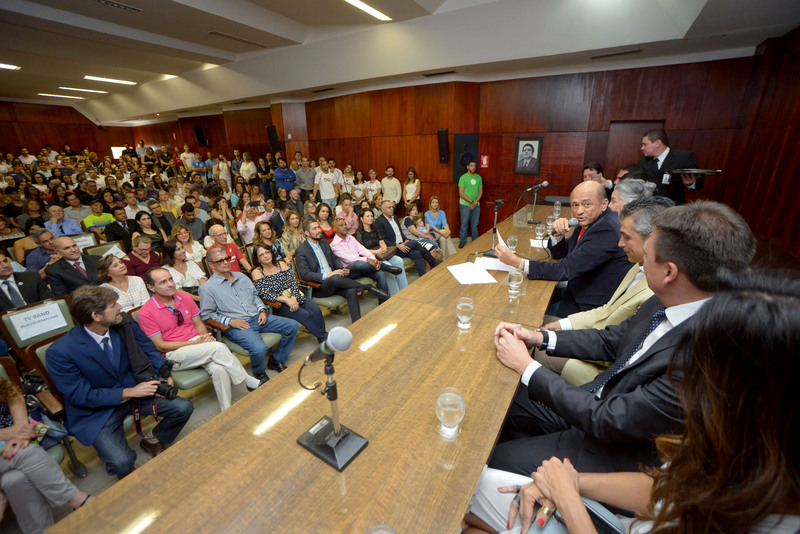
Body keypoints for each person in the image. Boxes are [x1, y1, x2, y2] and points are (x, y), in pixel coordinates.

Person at [464, 270, 800, 534]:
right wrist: (572, 482)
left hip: (600, 495)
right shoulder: (737, 449)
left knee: (467, 494)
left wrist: (567, 496)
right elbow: (669, 488)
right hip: (602, 492)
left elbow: (610, 422)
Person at [486, 200, 756, 479]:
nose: (640, 263)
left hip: (605, 448)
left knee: (488, 460)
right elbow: (611, 340)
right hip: (589, 403)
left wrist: (526, 366)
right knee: (497, 397)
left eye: (647, 256)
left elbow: (607, 419)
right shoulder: (668, 300)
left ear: (669, 272)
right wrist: (539, 337)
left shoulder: (702, 355)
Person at [47, 286, 194, 478]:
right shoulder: (60, 352)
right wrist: (130, 392)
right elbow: (80, 395)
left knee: (183, 407)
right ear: (96, 316)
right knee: (122, 464)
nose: (120, 307)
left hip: (136, 393)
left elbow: (148, 349)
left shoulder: (124, 323)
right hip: (99, 409)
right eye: (113, 305)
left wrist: (164, 373)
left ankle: (153, 440)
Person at [538, 197, 674, 385]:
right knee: (531, 323)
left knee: (527, 346)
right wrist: (562, 326)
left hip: (600, 367)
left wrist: (548, 339)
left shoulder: (657, 292)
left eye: (627, 237)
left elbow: (615, 347)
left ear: (652, 238)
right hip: (592, 337)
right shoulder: (638, 266)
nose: (620, 243)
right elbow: (606, 311)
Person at [494, 181, 631, 317]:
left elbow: (564, 269)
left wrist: (517, 262)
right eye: (575, 205)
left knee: (522, 311)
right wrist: (558, 235)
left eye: (587, 204)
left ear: (604, 204)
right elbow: (562, 253)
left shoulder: (606, 229)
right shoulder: (592, 220)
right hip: (578, 290)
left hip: (587, 307)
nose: (579, 211)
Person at [139, 267, 266, 411]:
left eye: (171, 279)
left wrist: (205, 337)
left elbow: (199, 324)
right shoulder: (146, 312)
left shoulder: (185, 298)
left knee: (219, 369)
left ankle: (226, 410)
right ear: (151, 287)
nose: (170, 284)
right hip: (174, 353)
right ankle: (247, 380)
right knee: (218, 347)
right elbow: (160, 346)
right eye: (163, 282)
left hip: (199, 345)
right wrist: (196, 343)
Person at [0, 375, 93, 534]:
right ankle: (77, 499)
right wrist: (7, 433)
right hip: (14, 451)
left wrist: (20, 432)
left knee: (15, 480)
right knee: (26, 453)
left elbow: (12, 394)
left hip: (14, 446)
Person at [200, 246, 299, 377]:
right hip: (238, 325)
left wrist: (262, 310)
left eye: (227, 258)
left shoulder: (241, 276)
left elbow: (255, 296)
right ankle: (259, 373)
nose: (225, 262)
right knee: (259, 349)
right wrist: (230, 321)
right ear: (211, 265)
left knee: (293, 326)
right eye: (220, 261)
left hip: (258, 317)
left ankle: (276, 359)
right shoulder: (207, 288)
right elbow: (207, 315)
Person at [294, 220, 376, 323]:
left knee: (351, 291)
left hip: (335, 282)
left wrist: (342, 269)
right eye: (314, 229)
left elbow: (333, 259)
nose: (319, 230)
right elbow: (305, 274)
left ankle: (357, 322)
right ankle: (365, 287)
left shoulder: (324, 242)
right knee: (335, 278)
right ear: (307, 233)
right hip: (319, 287)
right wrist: (328, 275)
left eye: (318, 227)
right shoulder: (301, 250)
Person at [250, 244, 328, 343]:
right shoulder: (257, 272)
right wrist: (286, 300)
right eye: (261, 255)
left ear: (271, 252)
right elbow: (264, 293)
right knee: (305, 315)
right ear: (257, 259)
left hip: (294, 295)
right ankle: (326, 338)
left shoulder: (281, 264)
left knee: (316, 310)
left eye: (267, 252)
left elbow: (293, 282)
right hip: (279, 304)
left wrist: (294, 298)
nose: (265, 256)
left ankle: (322, 339)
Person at [638, 129, 702, 205]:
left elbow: (699, 183)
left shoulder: (683, 157)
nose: (642, 148)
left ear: (657, 143)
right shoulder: (643, 161)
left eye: (645, 144)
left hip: (674, 207)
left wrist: (690, 184)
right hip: (650, 207)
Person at [375, 200, 440, 275]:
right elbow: (382, 240)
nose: (392, 209)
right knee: (415, 243)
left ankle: (423, 276)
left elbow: (400, 233)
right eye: (389, 207)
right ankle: (433, 262)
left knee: (417, 253)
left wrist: (406, 240)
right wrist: (397, 245)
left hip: (403, 244)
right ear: (383, 210)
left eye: (392, 207)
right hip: (394, 248)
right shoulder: (379, 221)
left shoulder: (394, 217)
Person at [354, 208, 409, 295]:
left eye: (371, 216)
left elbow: (382, 241)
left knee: (398, 260)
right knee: (388, 265)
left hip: (381, 254)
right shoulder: (359, 233)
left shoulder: (375, 229)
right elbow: (361, 251)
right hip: (371, 258)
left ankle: (404, 289)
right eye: (367, 216)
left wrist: (383, 248)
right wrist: (377, 251)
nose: (370, 218)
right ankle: (395, 294)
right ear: (361, 218)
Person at [458, 161, 483, 248]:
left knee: (474, 225)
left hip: (476, 205)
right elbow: (461, 193)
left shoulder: (478, 177)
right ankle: (462, 241)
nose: (473, 167)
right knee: (464, 224)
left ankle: (475, 242)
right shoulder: (463, 177)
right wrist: (472, 202)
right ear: (467, 167)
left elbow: (480, 192)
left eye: (474, 166)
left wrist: (475, 202)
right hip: (465, 205)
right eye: (471, 166)